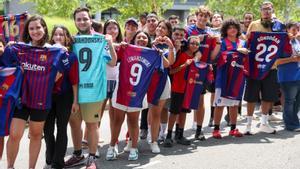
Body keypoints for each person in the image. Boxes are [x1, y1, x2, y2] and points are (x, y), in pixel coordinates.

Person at [4, 15, 70, 169]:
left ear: (44, 28)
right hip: (21, 99)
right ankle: (10, 166)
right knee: (14, 135)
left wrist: (45, 80)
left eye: (38, 27)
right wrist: (10, 46)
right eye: (31, 28)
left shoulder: (55, 51)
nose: (35, 31)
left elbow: (61, 71)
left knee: (35, 135)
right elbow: (7, 66)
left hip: (41, 99)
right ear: (27, 30)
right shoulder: (18, 49)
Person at [64, 7, 117, 169]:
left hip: (93, 91)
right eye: (78, 19)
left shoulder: (101, 39)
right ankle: (78, 154)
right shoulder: (71, 41)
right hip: (74, 90)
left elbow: (112, 62)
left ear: (90, 20)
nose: (82, 22)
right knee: (74, 124)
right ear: (74, 22)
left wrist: (110, 43)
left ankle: (92, 159)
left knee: (92, 125)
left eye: (85, 19)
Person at [106, 30, 169, 160]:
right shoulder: (126, 48)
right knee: (118, 120)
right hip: (122, 89)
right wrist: (119, 45)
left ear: (148, 41)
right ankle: (112, 147)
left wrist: (160, 55)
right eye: (139, 37)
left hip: (139, 92)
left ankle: (134, 149)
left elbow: (167, 65)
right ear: (134, 39)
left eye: (144, 37)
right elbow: (113, 58)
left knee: (134, 121)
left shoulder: (153, 53)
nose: (141, 39)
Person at [244, 1, 286, 135]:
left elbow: (284, 43)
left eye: (269, 9)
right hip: (255, 66)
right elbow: (247, 41)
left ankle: (263, 123)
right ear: (260, 11)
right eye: (264, 9)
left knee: (268, 96)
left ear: (272, 10)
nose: (267, 11)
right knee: (251, 96)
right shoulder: (254, 24)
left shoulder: (279, 25)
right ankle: (249, 124)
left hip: (271, 67)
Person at [43, 25, 79, 169]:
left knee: (61, 128)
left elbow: (75, 81)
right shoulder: (46, 53)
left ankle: (58, 161)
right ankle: (50, 156)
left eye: (62, 35)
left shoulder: (71, 56)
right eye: (56, 34)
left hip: (65, 96)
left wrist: (75, 101)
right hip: (47, 96)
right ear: (52, 37)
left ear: (67, 39)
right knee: (47, 128)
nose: (58, 37)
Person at [185, 5, 220, 140]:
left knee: (200, 101)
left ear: (208, 18)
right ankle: (178, 131)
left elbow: (212, 56)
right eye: (201, 15)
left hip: (202, 71)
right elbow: (184, 49)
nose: (203, 18)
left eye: (206, 16)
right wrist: (196, 40)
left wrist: (217, 43)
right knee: (183, 100)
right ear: (196, 16)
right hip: (187, 69)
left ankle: (199, 130)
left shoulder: (212, 33)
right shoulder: (189, 30)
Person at [164, 36, 202, 147]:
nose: (194, 45)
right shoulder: (181, 54)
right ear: (188, 43)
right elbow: (172, 71)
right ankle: (168, 136)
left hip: (189, 89)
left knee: (184, 112)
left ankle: (179, 135)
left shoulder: (196, 58)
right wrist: (185, 65)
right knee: (174, 112)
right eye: (192, 43)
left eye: (197, 44)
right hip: (178, 88)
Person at [212, 18, 247, 138]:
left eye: (234, 27)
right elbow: (216, 57)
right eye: (229, 28)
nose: (232, 30)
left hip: (238, 77)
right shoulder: (221, 42)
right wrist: (236, 51)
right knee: (220, 104)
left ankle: (233, 128)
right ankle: (216, 129)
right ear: (225, 30)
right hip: (223, 77)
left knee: (234, 104)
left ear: (238, 30)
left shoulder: (243, 43)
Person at [275, 21, 300, 131]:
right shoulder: (281, 43)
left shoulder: (297, 42)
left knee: (297, 102)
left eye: (297, 29)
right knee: (289, 101)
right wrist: (292, 59)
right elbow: (276, 62)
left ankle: (295, 122)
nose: (296, 32)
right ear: (287, 30)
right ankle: (290, 124)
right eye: (294, 29)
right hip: (287, 77)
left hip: (298, 75)